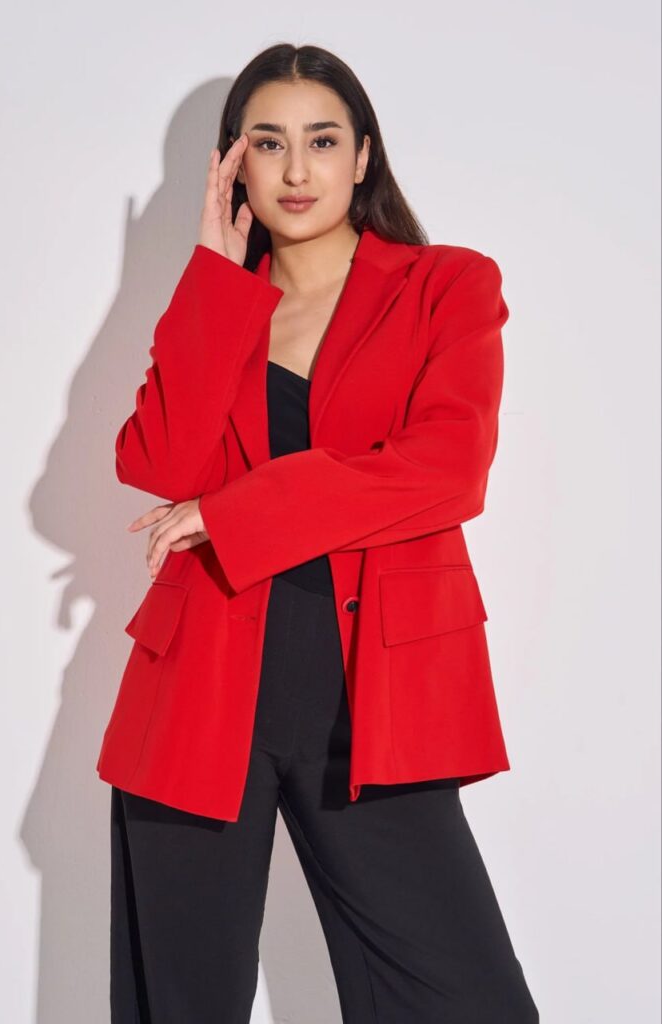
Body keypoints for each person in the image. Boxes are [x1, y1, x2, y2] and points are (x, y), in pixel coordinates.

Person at [98, 42, 540, 1023]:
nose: (297, 170)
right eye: (268, 143)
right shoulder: (224, 302)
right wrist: (214, 277)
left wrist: (233, 513)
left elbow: (448, 467)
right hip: (200, 689)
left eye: (323, 140)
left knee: (468, 1000)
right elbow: (160, 461)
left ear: (363, 155)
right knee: (180, 1004)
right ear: (234, 164)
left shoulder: (445, 286)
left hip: (373, 697)